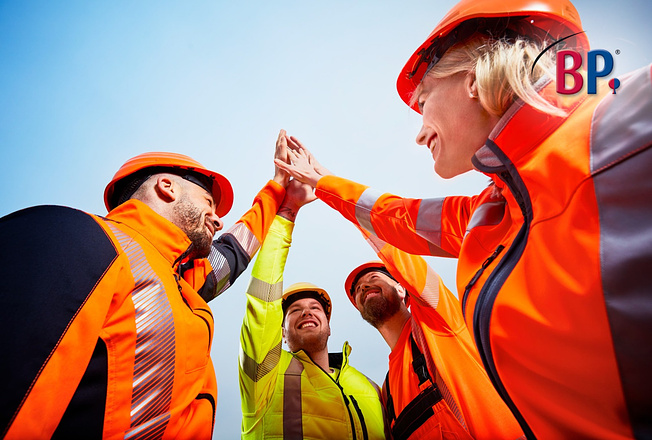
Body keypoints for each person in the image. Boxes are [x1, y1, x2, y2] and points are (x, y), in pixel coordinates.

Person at [274, 0, 652, 438]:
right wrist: (320, 180)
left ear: (472, 79)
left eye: (423, 101)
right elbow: (396, 216)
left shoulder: (622, 120)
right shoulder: (492, 213)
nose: (420, 134)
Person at [0, 138, 289, 439]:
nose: (217, 220)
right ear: (167, 186)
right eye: (208, 202)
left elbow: (233, 252)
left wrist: (279, 189)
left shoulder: (179, 283)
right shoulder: (80, 239)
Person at [238, 165, 387, 439]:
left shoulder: (371, 388)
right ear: (281, 332)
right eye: (294, 310)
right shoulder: (265, 375)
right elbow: (263, 299)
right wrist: (287, 213)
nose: (306, 312)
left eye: (315, 308)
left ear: (329, 327)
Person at [344, 229, 523, 440]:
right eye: (357, 290)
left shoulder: (437, 321)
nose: (363, 286)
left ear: (402, 289)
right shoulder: (387, 391)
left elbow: (406, 263)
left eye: (373, 278)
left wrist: (358, 215)